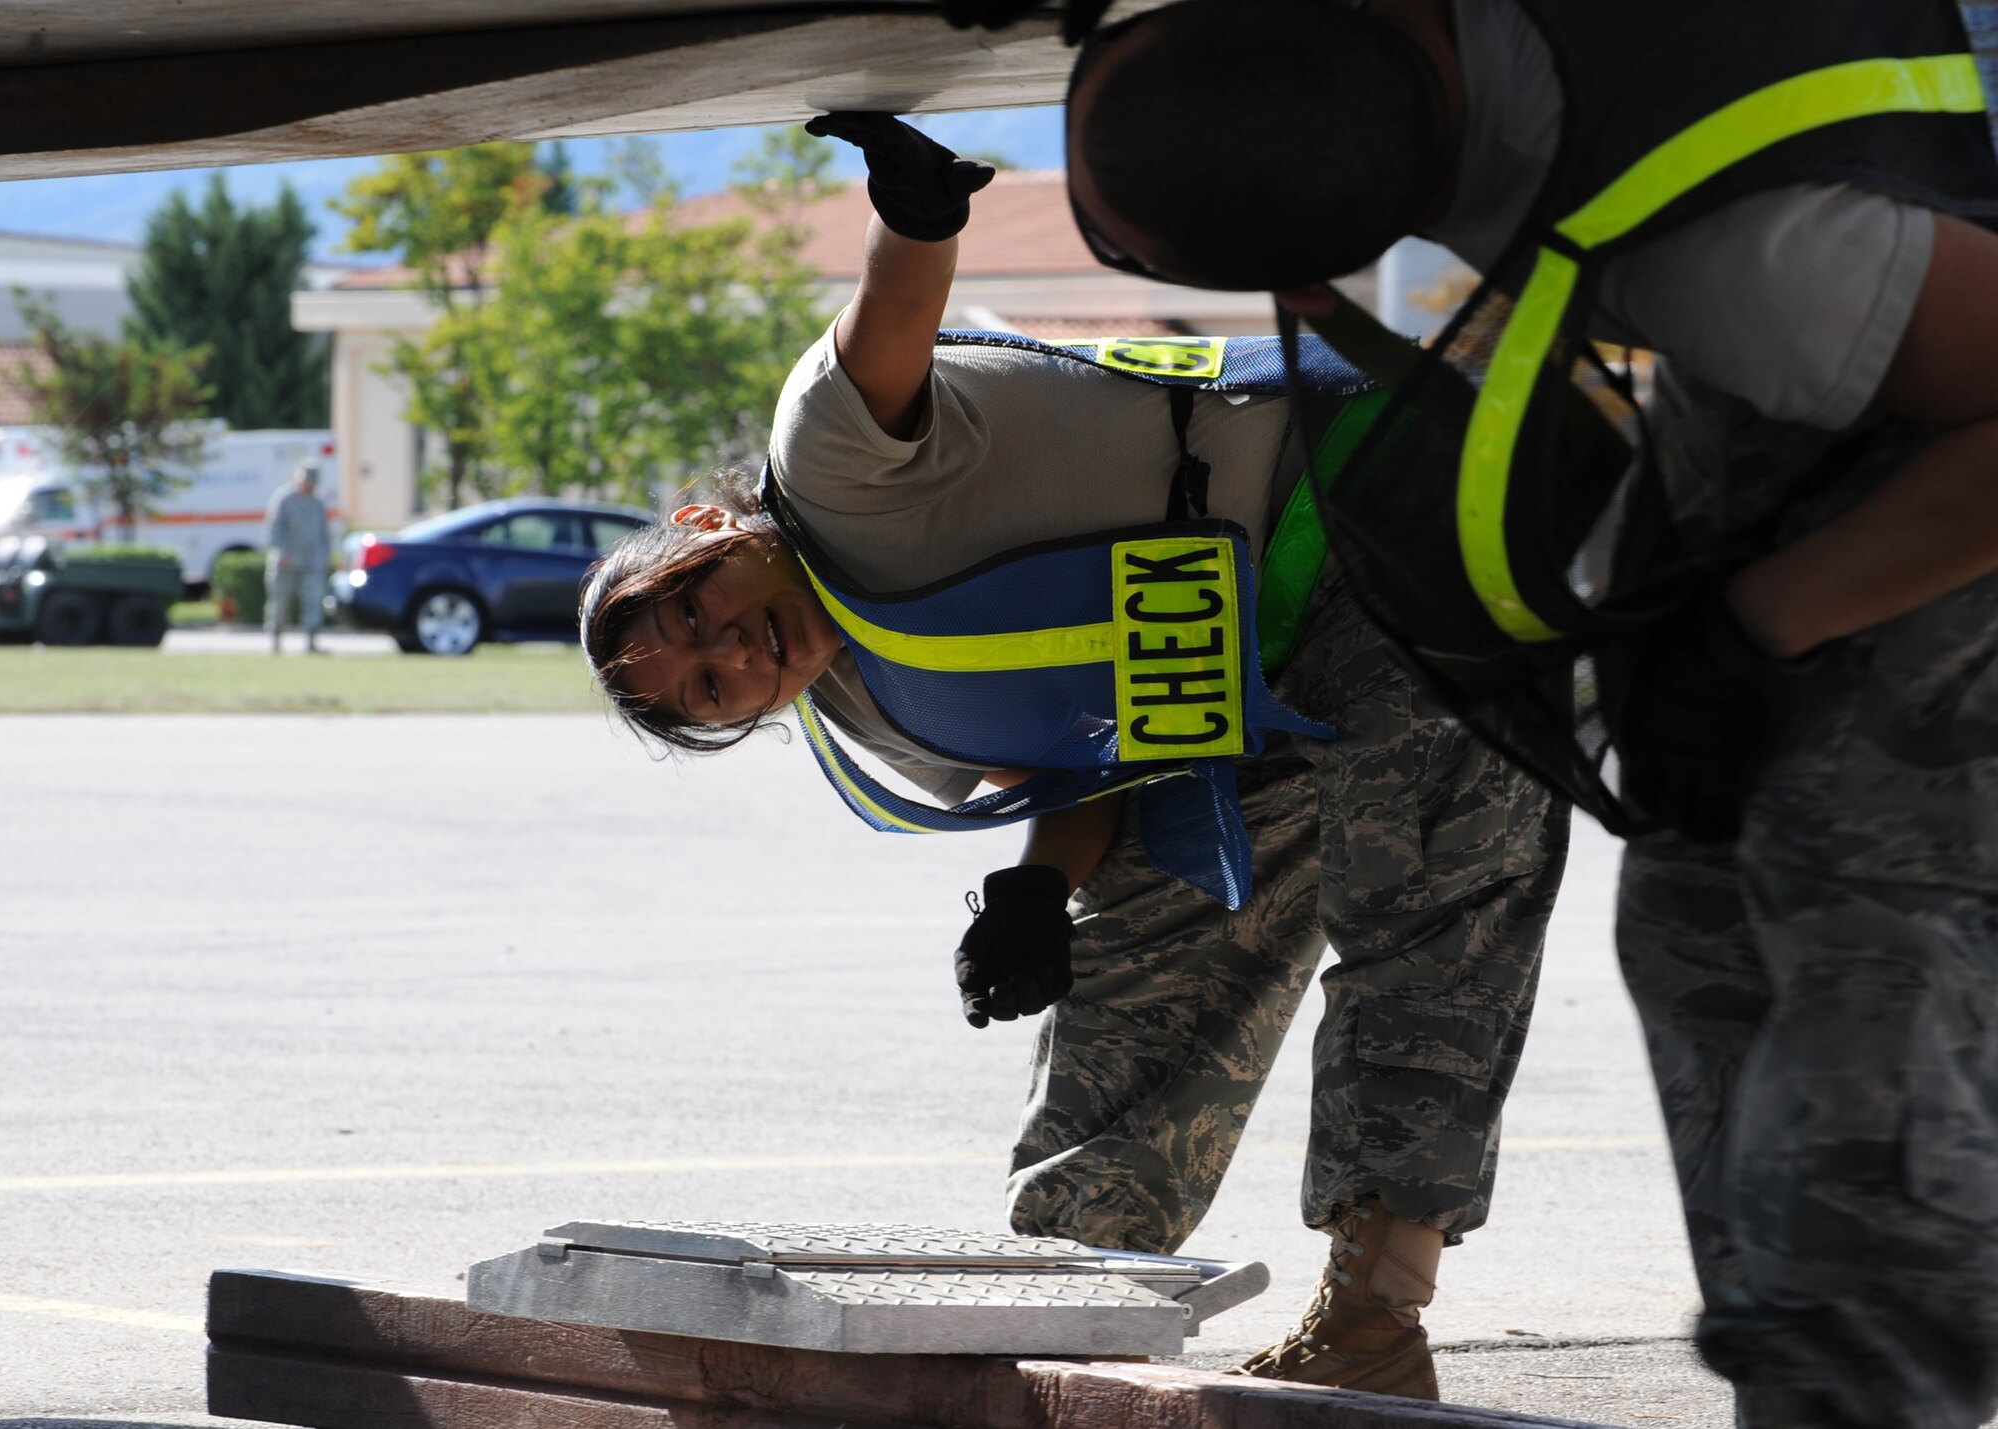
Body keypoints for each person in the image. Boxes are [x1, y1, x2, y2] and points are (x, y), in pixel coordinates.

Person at [1043, 2, 1998, 1425]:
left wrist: (1762, 622)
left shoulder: (1746, 258)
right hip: (1831, 407)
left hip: (1943, 447)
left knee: (1860, 976)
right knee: (1690, 910)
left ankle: (1862, 1370)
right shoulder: (1445, 50)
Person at [580, 112, 1567, 1400]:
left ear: (709, 526)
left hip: (1384, 509)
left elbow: (888, 326)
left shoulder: (829, 471)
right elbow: (1094, 769)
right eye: (706, 684)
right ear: (733, 724)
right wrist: (1039, 890)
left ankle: (1374, 1318)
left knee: (1426, 896)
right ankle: (1067, 1308)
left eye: (695, 604)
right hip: (1240, 703)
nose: (728, 644)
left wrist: (919, 212)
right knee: (1138, 936)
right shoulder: (884, 720)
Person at [264, 462, 330, 655]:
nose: (309, 487)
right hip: (286, 562)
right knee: (279, 603)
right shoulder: (284, 499)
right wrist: (282, 551)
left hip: (311, 563)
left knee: (313, 602)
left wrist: (325, 557)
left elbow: (323, 534)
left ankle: (311, 642)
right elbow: (274, 529)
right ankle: (275, 642)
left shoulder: (318, 503)